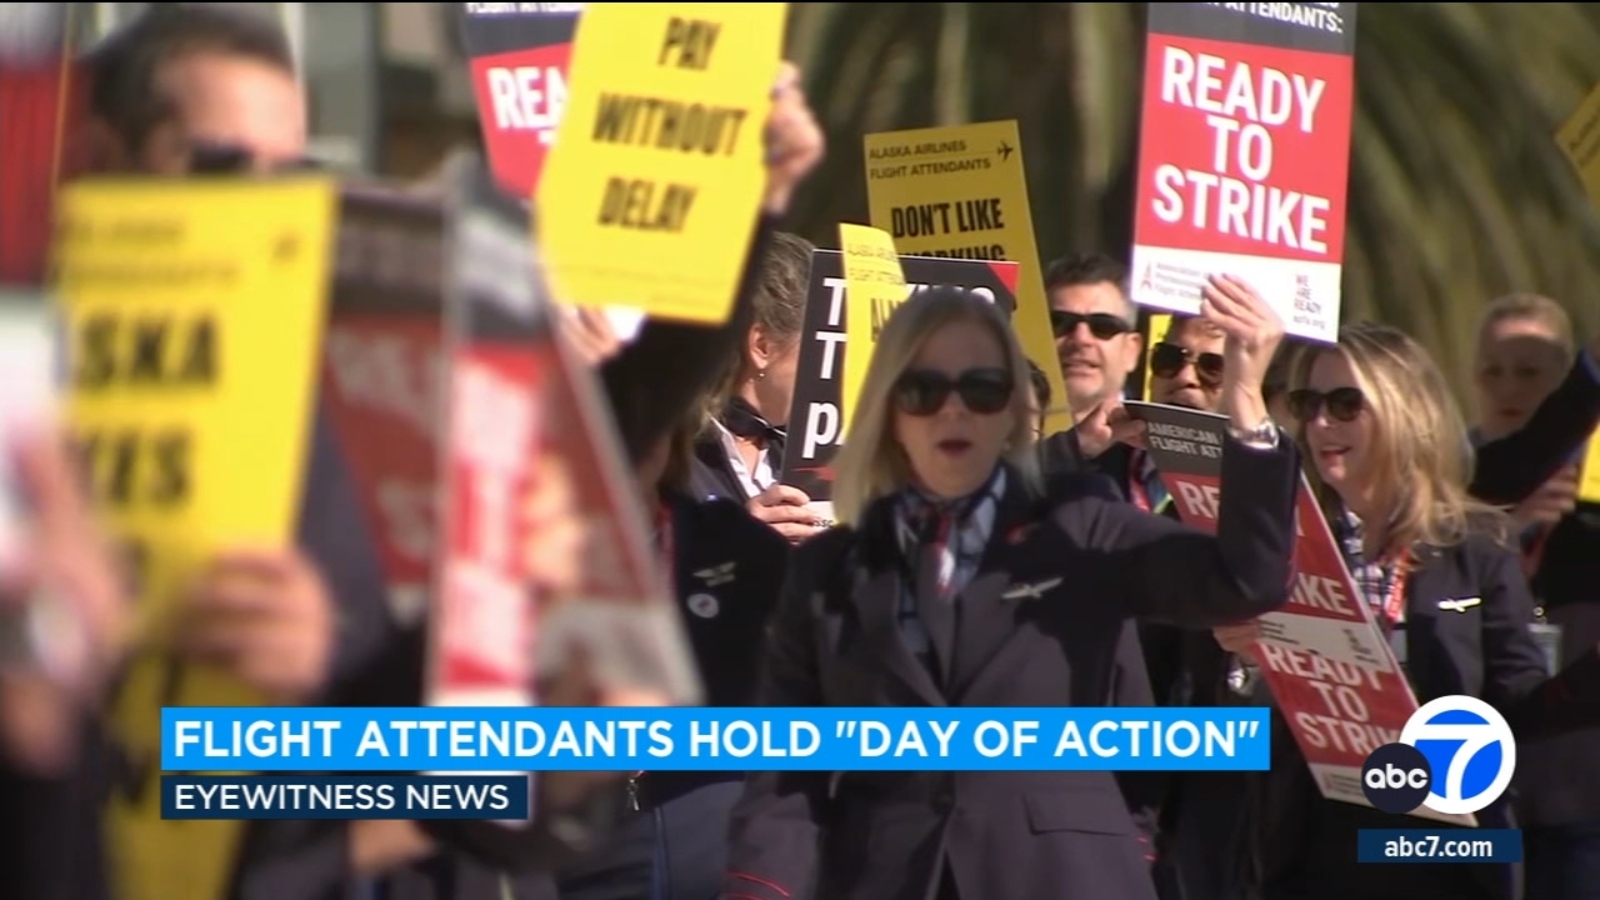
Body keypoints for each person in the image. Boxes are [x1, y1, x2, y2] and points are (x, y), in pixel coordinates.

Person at [721, 280, 1299, 900]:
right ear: (889, 413)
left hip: (1063, 875)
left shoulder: (1080, 526)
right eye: (923, 390)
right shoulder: (833, 567)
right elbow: (786, 771)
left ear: (1013, 411)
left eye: (982, 388)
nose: (954, 410)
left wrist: (1245, 403)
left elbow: (1245, 581)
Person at [1212, 321, 1600, 900]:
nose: (1321, 424)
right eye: (1307, 403)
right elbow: (1228, 729)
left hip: (1442, 852)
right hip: (1308, 849)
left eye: (1345, 404)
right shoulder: (1284, 543)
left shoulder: (1476, 544)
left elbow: (1517, 705)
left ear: (1406, 411)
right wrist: (1242, 668)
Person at [548, 412, 789, 900]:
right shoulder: (504, 562)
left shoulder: (740, 550)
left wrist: (767, 878)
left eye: (648, 413)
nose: (626, 442)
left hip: (724, 865)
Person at [1471, 295, 1600, 900]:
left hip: (1579, 796)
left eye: (1530, 372)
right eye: (1493, 370)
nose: (1509, 388)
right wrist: (1511, 525)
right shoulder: (1451, 480)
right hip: (1471, 786)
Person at [687, 231, 828, 545]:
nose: (833, 373)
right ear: (761, 346)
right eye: (823, 351)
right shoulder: (667, 453)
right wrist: (736, 546)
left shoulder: (810, 453)